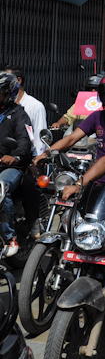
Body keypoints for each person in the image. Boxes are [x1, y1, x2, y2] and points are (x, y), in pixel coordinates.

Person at [34, 72, 105, 186]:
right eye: (104, 93)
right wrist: (47, 153)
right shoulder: (97, 117)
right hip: (98, 181)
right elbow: (71, 139)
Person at [0, 72, 32, 256]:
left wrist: (17, 156)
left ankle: (10, 237)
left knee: (1, 187)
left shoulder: (19, 114)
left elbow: (25, 141)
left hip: (12, 167)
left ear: (8, 93)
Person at [5, 66, 48, 157]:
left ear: (19, 81)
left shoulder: (35, 106)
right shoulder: (5, 106)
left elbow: (39, 139)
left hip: (25, 160)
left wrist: (34, 161)